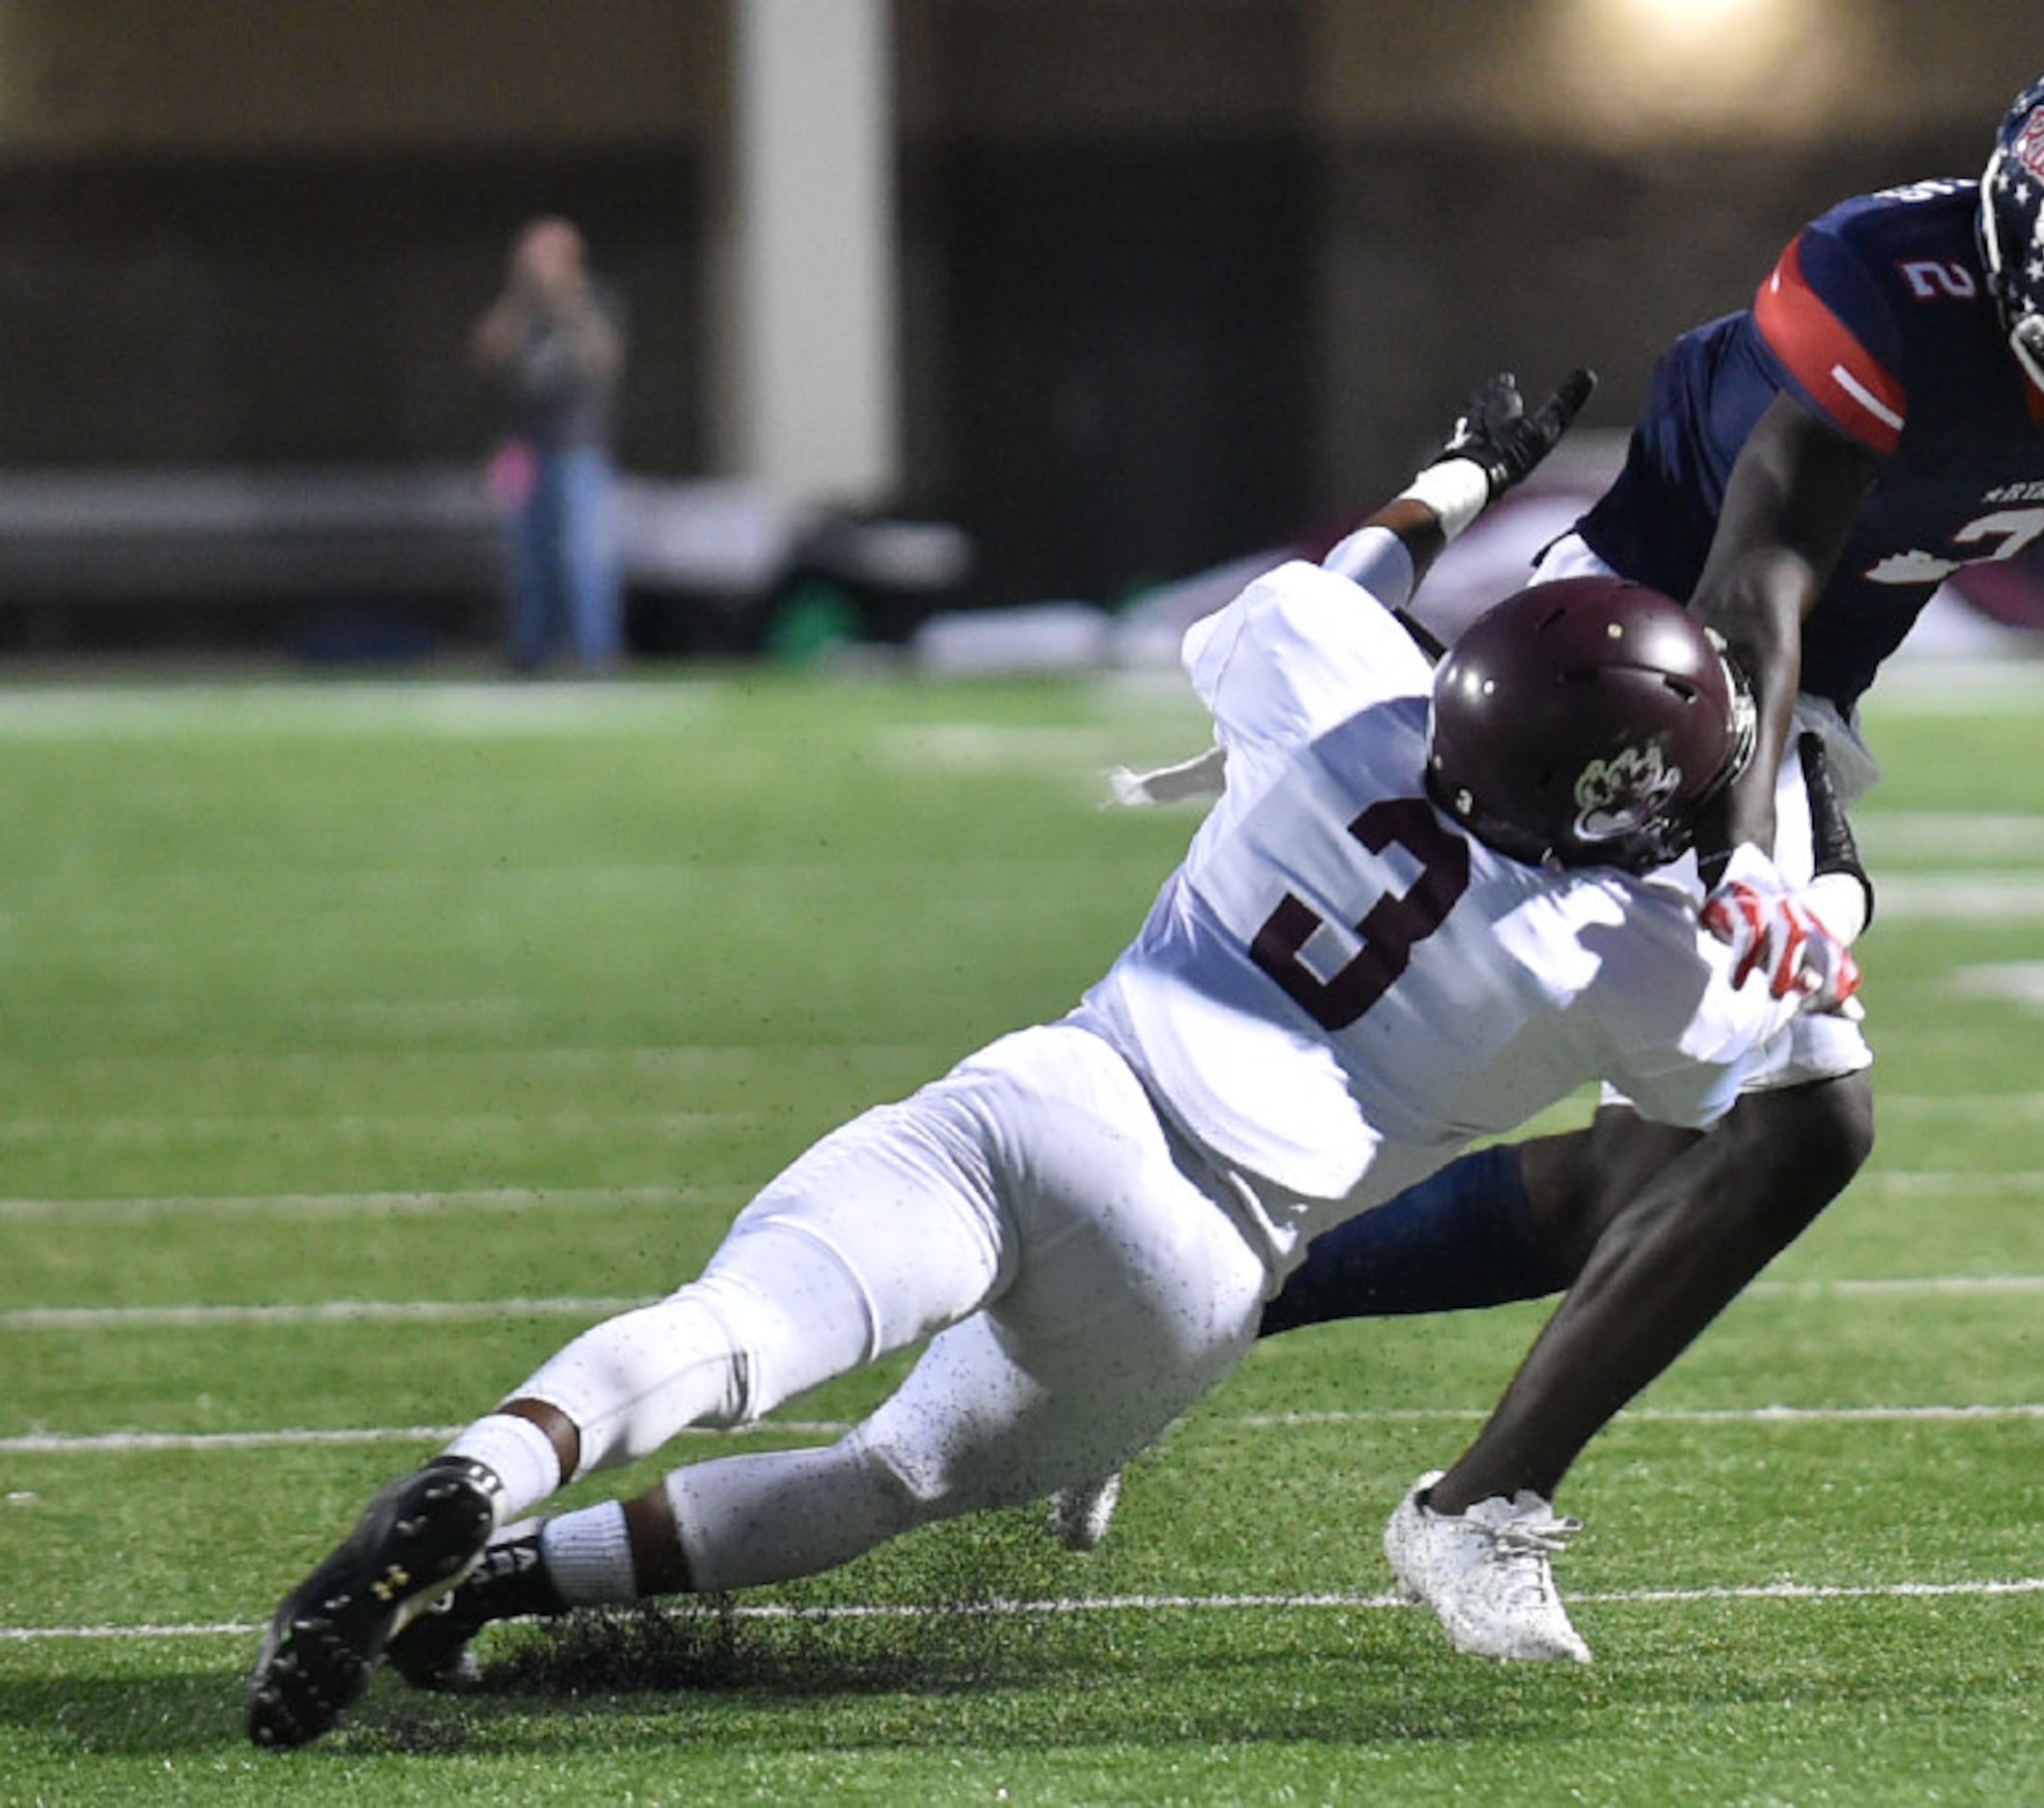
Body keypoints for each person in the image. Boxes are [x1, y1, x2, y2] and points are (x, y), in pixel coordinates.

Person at [245, 369, 1856, 1749]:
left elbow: (1330, 580)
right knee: (889, 1470)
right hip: (1197, 1266)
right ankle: (525, 1579)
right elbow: (1731, 1067)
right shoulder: (1617, 959)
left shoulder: (1347, 697)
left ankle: (482, 1474)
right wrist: (1811, 853)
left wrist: (1460, 474)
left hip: (1054, 1098)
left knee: (731, 1326)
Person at [1067, 47, 2044, 1658]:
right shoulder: (1886, 299)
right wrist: (1745, 861)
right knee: (1806, 1122)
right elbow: (1758, 593)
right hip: (1635, 663)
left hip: (1805, 702)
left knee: (1631, 1185)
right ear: (2036, 257)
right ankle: (1470, 1506)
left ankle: (1176, 1329)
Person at [469, 216, 627, 673]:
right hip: (524, 451)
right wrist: (521, 296)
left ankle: (595, 659)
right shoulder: (521, 310)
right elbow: (484, 350)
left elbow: (606, 357)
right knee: (525, 559)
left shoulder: (596, 299)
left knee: (584, 557)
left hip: (579, 449)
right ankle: (528, 658)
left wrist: (568, 300)